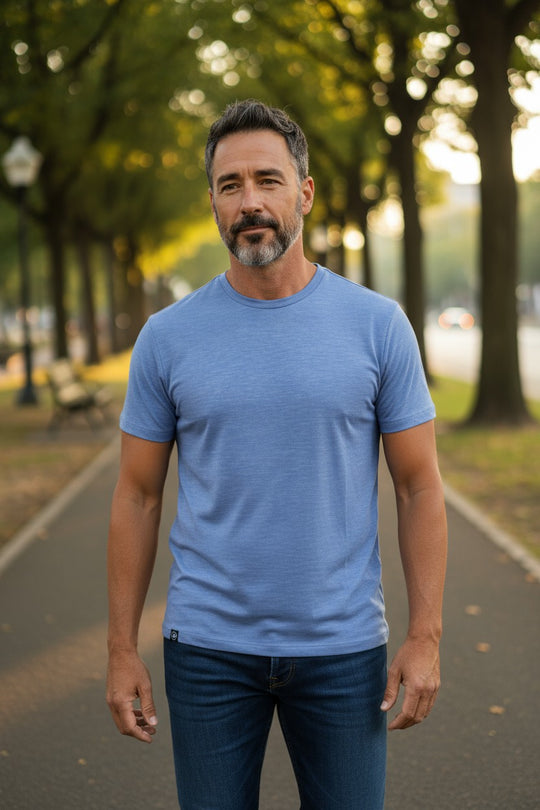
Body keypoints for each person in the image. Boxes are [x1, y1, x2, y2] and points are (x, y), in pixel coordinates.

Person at [106, 99, 447, 809]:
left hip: (344, 650)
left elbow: (419, 488)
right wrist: (119, 650)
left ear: (305, 192)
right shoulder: (166, 339)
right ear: (212, 203)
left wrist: (425, 635)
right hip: (206, 653)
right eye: (231, 186)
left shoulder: (377, 326)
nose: (250, 201)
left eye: (268, 179)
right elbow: (136, 496)